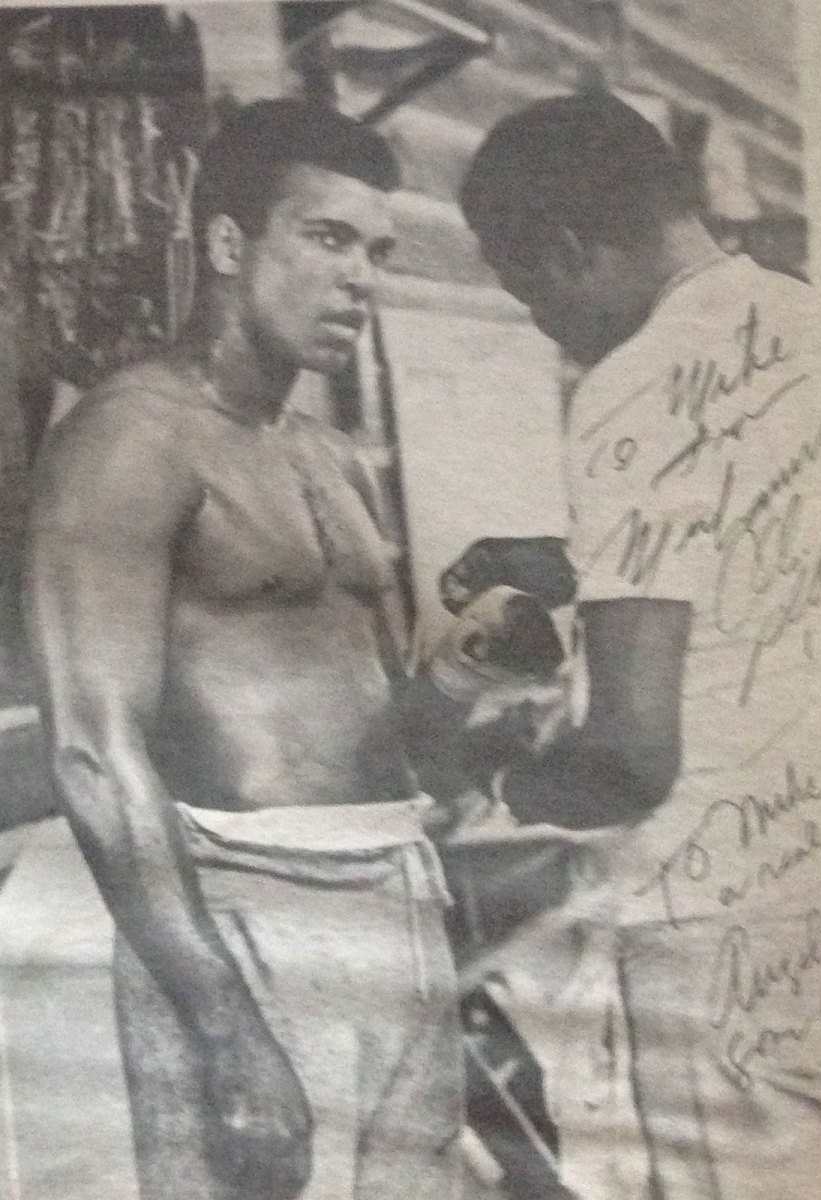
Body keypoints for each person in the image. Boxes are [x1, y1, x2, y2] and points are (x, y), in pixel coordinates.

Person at [457, 92, 821, 1199]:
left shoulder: (634, 383)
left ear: (567, 249)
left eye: (532, 295)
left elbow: (631, 761)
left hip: (727, 939)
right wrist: (579, 564)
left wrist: (487, 773)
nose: (546, 328)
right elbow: (768, 559)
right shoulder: (817, 327)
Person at [24, 100, 462, 1200]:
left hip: (399, 896)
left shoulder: (336, 459)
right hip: (242, 908)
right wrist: (222, 1026)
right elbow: (92, 748)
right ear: (227, 243)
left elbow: (382, 712)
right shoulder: (130, 437)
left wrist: (477, 661)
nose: (360, 277)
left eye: (377, 251)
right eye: (327, 238)